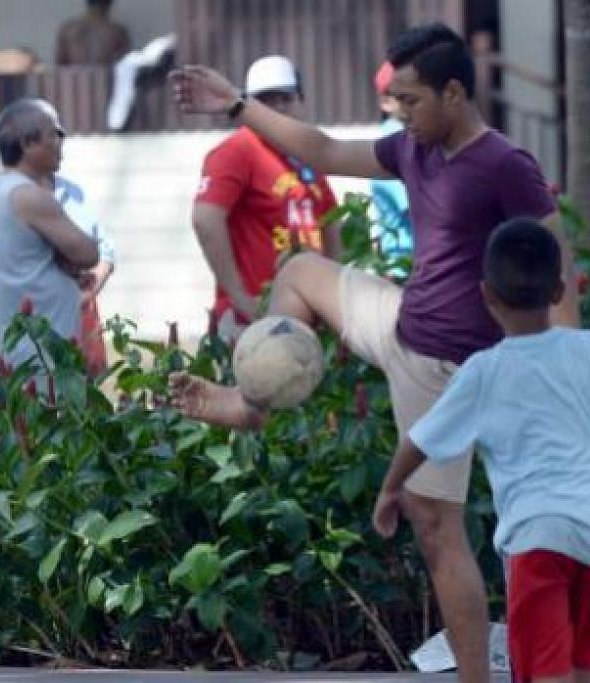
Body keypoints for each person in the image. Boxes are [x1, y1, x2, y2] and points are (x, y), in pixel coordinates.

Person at [169, 23, 576, 683]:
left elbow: (555, 263)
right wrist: (238, 104)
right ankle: (252, 403)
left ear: (453, 92)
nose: (401, 114)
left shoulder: (505, 165)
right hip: (400, 320)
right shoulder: (415, 150)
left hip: (449, 366)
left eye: (411, 101)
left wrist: (557, 360)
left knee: (435, 525)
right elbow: (323, 147)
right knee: (301, 270)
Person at [373, 218, 590, 683]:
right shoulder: (585, 350)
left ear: (487, 296)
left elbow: (419, 440)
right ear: (559, 291)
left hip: (537, 539)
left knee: (547, 671)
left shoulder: (483, 372)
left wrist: (390, 491)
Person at [193, 54, 340, 342]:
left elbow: (332, 224)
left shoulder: (307, 152)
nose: (277, 108)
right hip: (253, 318)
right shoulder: (236, 152)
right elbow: (205, 220)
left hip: (308, 317)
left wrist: (333, 299)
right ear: (248, 104)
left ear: (301, 100)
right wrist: (239, 296)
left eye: (285, 98)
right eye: (266, 100)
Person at [0, 98, 99, 377]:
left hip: (11, 350)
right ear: (28, 144)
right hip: (39, 356)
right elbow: (89, 253)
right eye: (55, 134)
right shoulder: (29, 196)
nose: (60, 142)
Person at [35, 100, 117, 375]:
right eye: (51, 137)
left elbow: (105, 252)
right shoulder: (6, 197)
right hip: (31, 321)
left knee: (84, 405)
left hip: (79, 316)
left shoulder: (75, 194)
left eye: (60, 136)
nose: (58, 144)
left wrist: (86, 294)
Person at [370, 61, 413, 270]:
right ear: (385, 102)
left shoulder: (411, 136)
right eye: (402, 95)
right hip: (402, 262)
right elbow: (413, 204)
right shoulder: (391, 142)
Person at [55, 0, 130, 67]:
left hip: (74, 81)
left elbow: (59, 67)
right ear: (110, 4)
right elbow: (124, 67)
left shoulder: (68, 29)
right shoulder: (117, 32)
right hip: (104, 80)